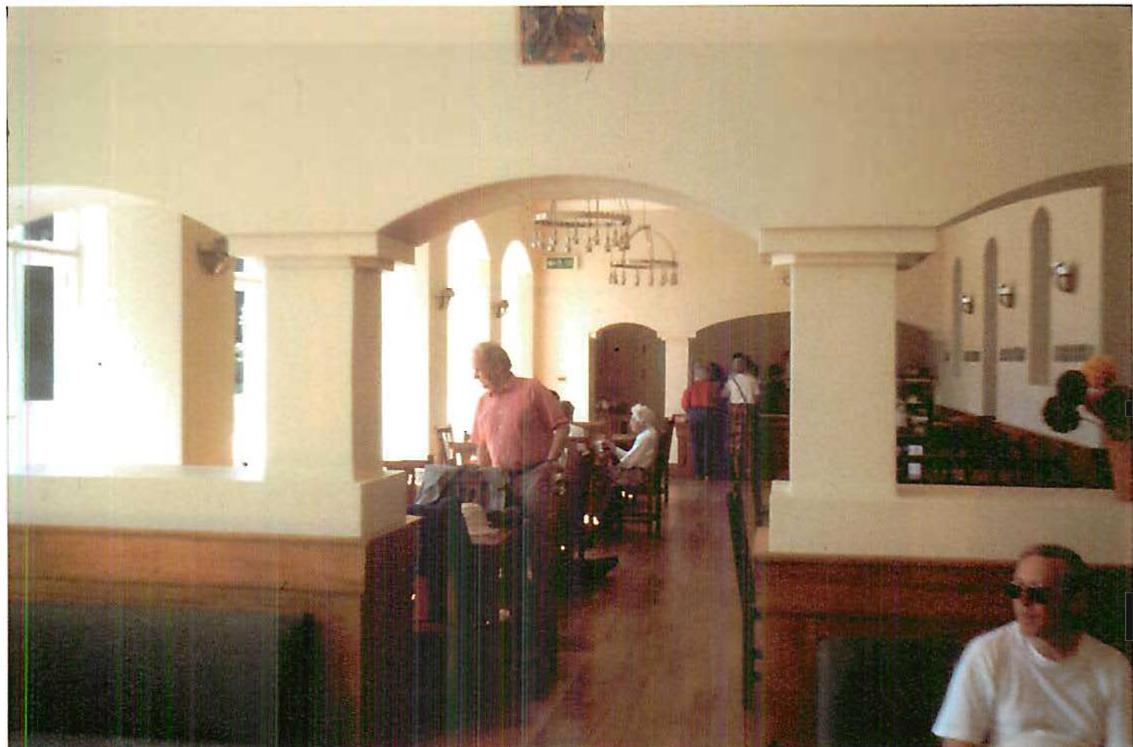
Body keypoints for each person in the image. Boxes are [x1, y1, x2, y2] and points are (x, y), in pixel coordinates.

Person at [933, 543, 1132, 747]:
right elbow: (958, 741)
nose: (1024, 601)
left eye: (1038, 593)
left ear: (1075, 601)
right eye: (1016, 590)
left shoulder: (1112, 666)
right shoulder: (987, 652)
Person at [469, 341, 569, 694]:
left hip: (532, 475)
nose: (474, 376)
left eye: (478, 369)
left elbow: (561, 426)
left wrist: (550, 464)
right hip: (500, 481)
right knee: (506, 554)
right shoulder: (483, 402)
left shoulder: (532, 389)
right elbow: (481, 445)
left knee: (536, 554)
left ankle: (542, 636)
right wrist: (480, 479)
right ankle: (514, 632)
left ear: (497, 365)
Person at [722, 353, 761, 481]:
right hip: (749, 411)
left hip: (734, 411)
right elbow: (757, 398)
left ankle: (736, 473)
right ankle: (749, 472)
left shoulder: (731, 381)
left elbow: (723, 395)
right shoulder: (753, 380)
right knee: (749, 442)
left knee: (735, 443)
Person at [681, 363, 719, 479]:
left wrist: (689, 412)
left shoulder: (691, 387)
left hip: (695, 414)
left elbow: (684, 403)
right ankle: (709, 473)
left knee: (696, 444)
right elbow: (717, 400)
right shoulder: (713, 386)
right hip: (710, 414)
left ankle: (698, 472)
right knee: (710, 443)